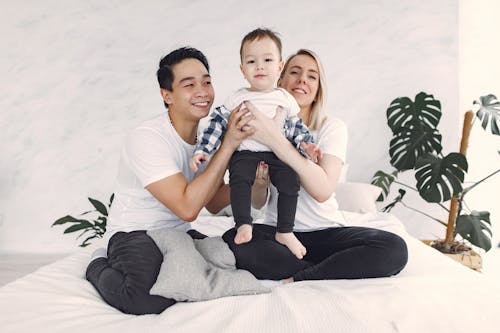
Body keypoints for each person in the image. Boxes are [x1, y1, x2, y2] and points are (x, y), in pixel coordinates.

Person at [85, 47, 256, 315]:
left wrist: (256, 180)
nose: (202, 91)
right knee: (144, 298)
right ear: (167, 95)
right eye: (189, 84)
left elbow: (212, 202)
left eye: (207, 82)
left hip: (180, 234)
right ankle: (96, 264)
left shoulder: (208, 138)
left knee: (248, 260)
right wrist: (229, 146)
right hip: (136, 233)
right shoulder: (147, 138)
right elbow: (187, 208)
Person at [222, 49, 409, 282]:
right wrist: (259, 184)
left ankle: (306, 273)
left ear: (318, 88)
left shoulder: (330, 127)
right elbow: (258, 202)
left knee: (394, 249)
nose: (302, 80)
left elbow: (322, 191)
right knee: (233, 239)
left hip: (325, 232)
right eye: (295, 72)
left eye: (312, 76)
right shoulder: (257, 125)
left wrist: (275, 140)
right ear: (280, 79)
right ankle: (331, 267)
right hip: (277, 232)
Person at [191, 28, 320, 259]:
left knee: (291, 181)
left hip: (278, 155)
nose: (260, 66)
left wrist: (307, 146)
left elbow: (295, 128)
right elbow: (217, 124)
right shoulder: (237, 98)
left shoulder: (284, 99)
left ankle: (285, 230)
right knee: (239, 180)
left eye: (267, 60)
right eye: (251, 61)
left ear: (279, 67)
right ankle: (243, 223)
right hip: (246, 153)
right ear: (243, 70)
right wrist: (203, 150)